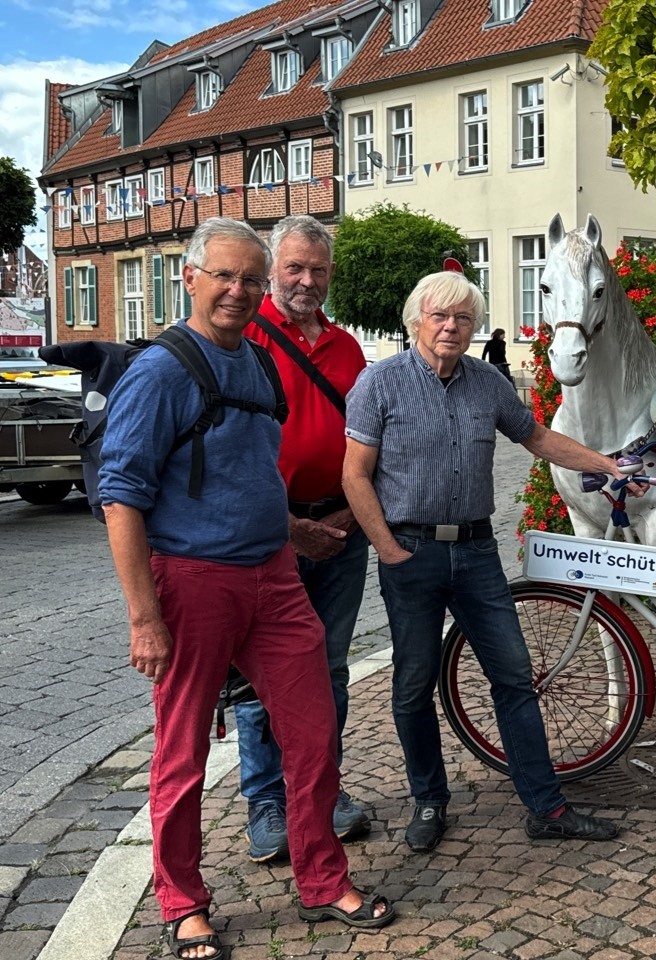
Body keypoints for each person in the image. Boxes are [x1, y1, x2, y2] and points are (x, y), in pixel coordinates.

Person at [100, 218, 392, 960]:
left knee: (314, 729)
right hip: (193, 581)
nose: (239, 290)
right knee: (183, 748)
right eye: (225, 276)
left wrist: (294, 532)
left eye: (250, 279)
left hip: (274, 576)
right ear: (190, 278)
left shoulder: (257, 365)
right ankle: (182, 901)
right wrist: (144, 618)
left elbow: (254, 474)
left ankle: (322, 880)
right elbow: (121, 495)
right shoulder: (163, 370)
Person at [342, 271, 635, 852]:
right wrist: (389, 551)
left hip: (477, 553)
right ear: (416, 320)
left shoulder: (487, 382)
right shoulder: (378, 384)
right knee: (413, 685)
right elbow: (354, 474)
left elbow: (539, 438)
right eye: (439, 316)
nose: (451, 327)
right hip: (413, 552)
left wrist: (605, 464)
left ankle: (546, 807)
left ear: (475, 327)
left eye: (463, 318)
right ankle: (430, 800)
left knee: (514, 678)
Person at [234, 215, 370, 863]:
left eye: (318, 269)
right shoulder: (245, 336)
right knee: (264, 671)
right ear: (273, 269)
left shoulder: (347, 349)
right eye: (294, 268)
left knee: (330, 668)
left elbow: (367, 441)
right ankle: (266, 799)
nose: (306, 280)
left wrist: (347, 512)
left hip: (342, 527)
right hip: (271, 534)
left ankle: (321, 790)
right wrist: (289, 529)